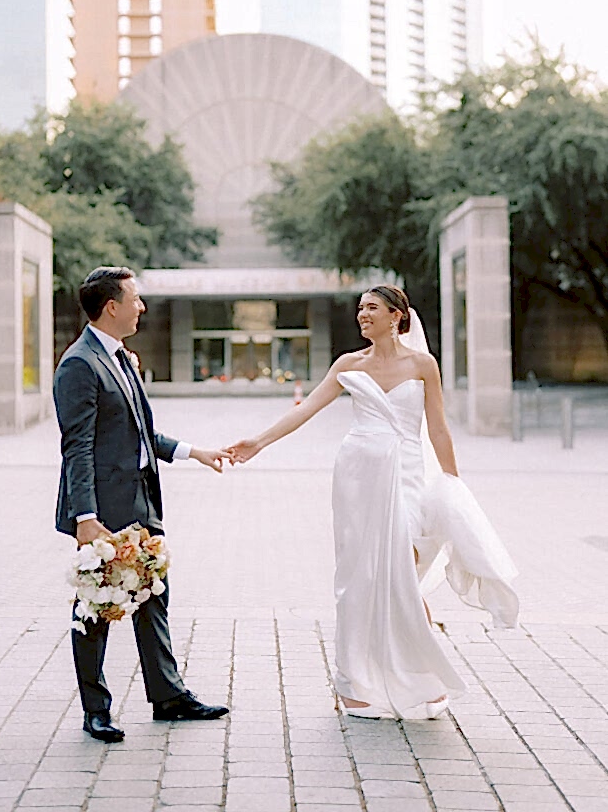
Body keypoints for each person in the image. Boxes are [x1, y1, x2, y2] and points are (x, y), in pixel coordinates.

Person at [228, 285, 518, 720]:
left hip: (406, 475)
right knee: (357, 576)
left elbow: (438, 428)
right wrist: (259, 441)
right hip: (357, 477)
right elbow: (306, 409)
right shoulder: (349, 364)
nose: (362, 315)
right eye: (360, 308)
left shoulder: (423, 365)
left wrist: (452, 482)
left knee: (402, 567)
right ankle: (353, 684)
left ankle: (419, 673)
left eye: (372, 308)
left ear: (397, 316)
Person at [54, 266, 230, 742]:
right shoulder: (80, 364)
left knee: (153, 596)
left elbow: (139, 434)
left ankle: (168, 696)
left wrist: (196, 452)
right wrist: (86, 518)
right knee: (96, 606)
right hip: (103, 511)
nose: (142, 306)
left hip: (142, 501)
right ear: (111, 306)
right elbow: (78, 446)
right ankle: (96, 711)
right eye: (135, 298)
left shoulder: (122, 359)